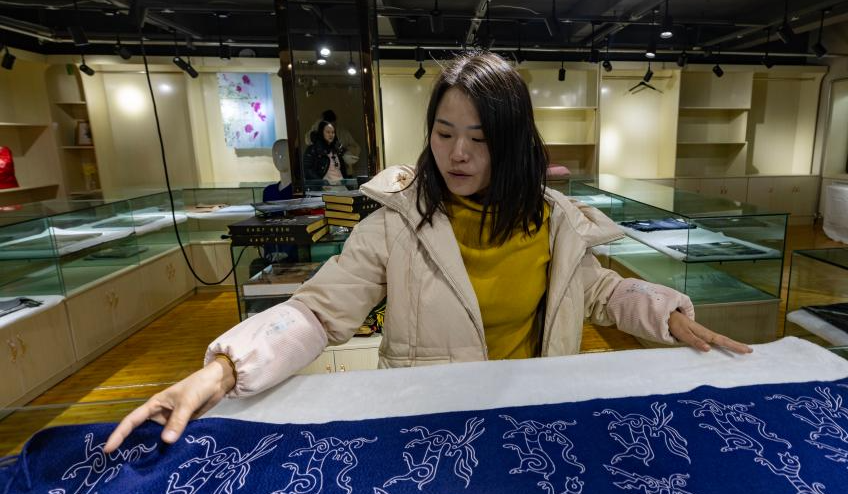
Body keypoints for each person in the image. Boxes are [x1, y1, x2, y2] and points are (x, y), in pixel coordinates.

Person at [104, 51, 750, 454]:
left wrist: (665, 313)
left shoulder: (551, 221)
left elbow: (599, 290)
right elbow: (318, 312)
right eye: (444, 133)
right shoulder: (397, 222)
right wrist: (221, 370)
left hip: (534, 423)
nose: (457, 153)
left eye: (479, 138)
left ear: (511, 141)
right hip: (427, 430)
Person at [302, 119, 346, 186]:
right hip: (326, 188)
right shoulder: (313, 149)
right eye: (328, 132)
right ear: (321, 133)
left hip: (342, 187)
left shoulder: (336, 149)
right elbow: (308, 171)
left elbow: (342, 169)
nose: (331, 135)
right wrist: (321, 183)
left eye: (333, 132)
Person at [321, 109, 361, 175]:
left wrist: (344, 150)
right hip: (327, 173)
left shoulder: (343, 133)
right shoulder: (319, 135)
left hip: (345, 172)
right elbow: (308, 140)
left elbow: (357, 148)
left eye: (333, 124)